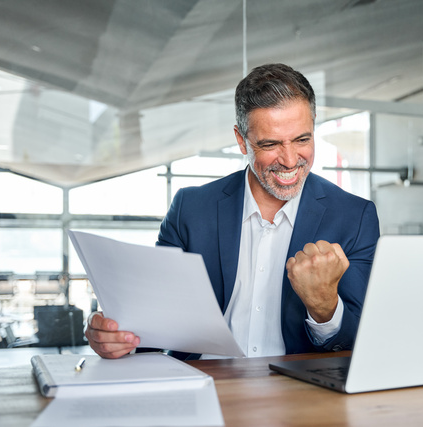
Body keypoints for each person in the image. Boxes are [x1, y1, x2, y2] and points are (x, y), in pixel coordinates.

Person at [85, 63, 380, 360]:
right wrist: (116, 335)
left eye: (302, 139)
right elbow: (153, 323)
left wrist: (325, 307)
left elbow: (359, 341)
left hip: (298, 393)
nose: (290, 160)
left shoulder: (354, 217)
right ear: (241, 140)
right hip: (204, 383)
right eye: (270, 144)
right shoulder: (191, 209)